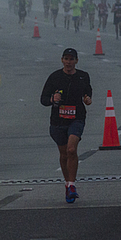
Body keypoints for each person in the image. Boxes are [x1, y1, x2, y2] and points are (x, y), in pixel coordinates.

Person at [40, 48, 93, 203]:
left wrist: (88, 99)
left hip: (77, 118)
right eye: (66, 59)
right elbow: (43, 99)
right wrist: (52, 99)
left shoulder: (83, 76)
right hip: (58, 121)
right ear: (62, 60)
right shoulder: (55, 77)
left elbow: (88, 93)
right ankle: (67, 182)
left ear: (76, 61)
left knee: (71, 149)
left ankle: (72, 185)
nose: (69, 62)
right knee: (64, 154)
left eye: (72, 59)